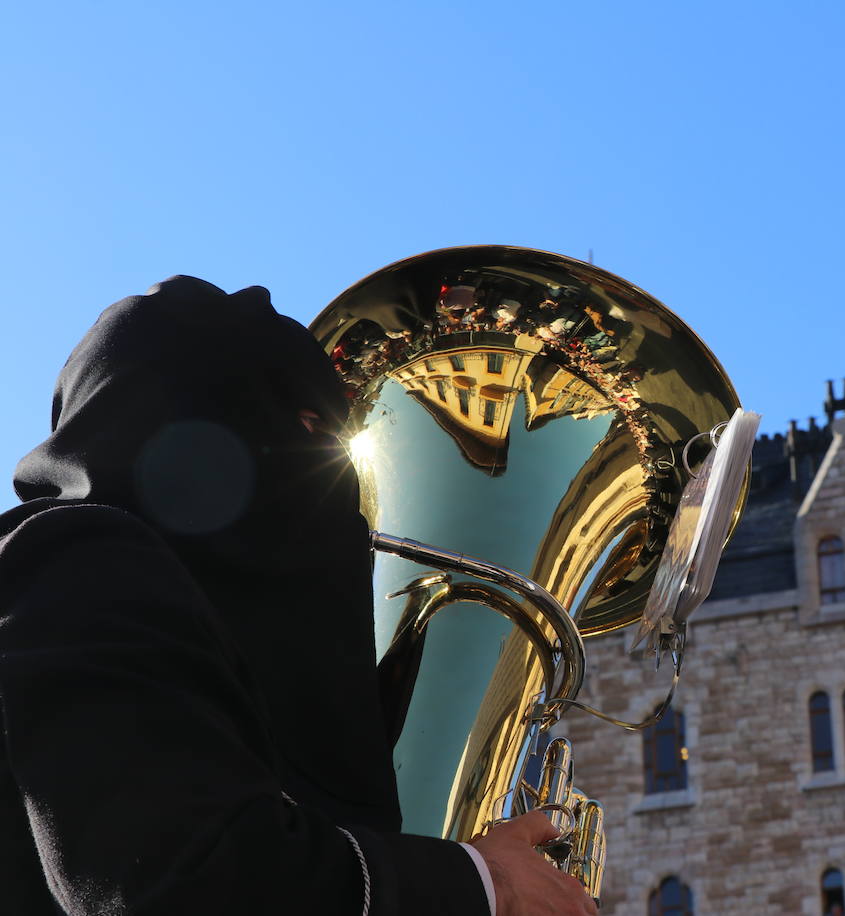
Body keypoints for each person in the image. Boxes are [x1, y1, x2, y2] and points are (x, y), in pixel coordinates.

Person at [0, 277, 597, 915]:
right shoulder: (75, 560)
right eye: (306, 426)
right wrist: (481, 884)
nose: (336, 487)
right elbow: (176, 881)